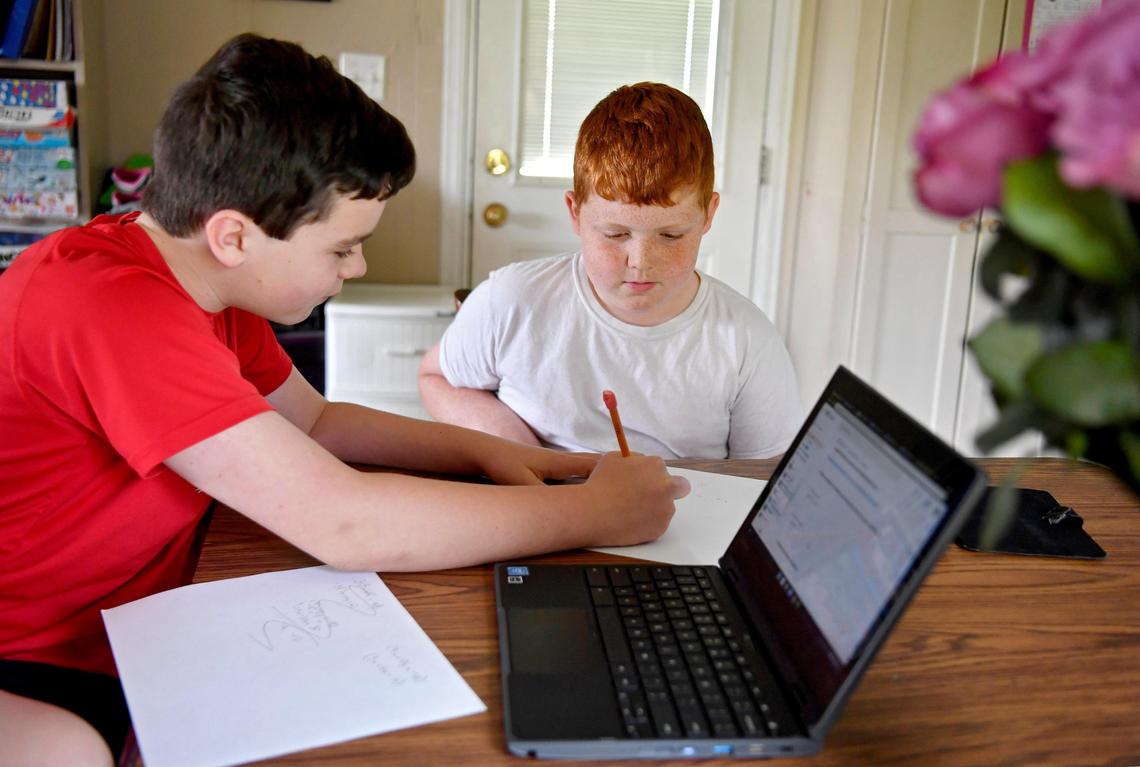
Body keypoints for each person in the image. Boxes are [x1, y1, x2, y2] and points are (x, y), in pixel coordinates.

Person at [0, 36, 689, 767]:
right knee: (72, 753)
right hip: (35, 647)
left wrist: (491, 450)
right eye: (340, 248)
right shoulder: (113, 310)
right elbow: (345, 522)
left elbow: (316, 420)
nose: (356, 267)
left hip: (131, 619)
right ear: (234, 235)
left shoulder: (205, 285)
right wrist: (592, 514)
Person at [419, 82, 803, 460]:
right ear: (575, 212)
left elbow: (762, 480)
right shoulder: (512, 298)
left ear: (708, 215)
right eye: (615, 234)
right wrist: (516, 446)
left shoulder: (748, 342)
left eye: (670, 235)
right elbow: (436, 378)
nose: (639, 261)